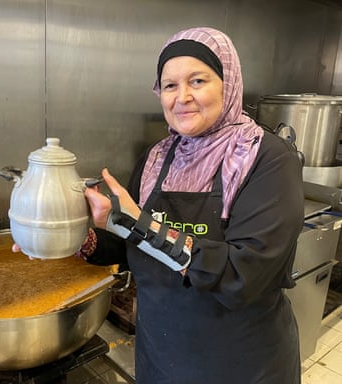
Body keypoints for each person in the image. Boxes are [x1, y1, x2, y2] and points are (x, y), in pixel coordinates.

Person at [78, 27, 304, 384]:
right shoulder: (156, 159)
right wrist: (75, 238)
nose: (181, 96)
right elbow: (133, 245)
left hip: (238, 364)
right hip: (160, 356)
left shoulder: (268, 159)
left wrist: (139, 223)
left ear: (227, 84)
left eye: (197, 80)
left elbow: (242, 277)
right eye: (169, 85)